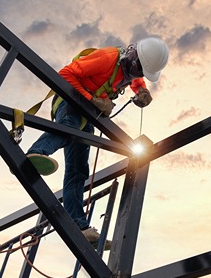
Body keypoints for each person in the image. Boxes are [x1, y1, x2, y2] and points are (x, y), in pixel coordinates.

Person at [26, 37, 169, 244]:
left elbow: (134, 80)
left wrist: (142, 91)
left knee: (78, 171)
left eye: (142, 73)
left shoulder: (132, 70)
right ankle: (37, 152)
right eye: (139, 70)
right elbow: (65, 74)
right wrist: (93, 100)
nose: (137, 75)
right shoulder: (107, 58)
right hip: (70, 103)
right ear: (132, 57)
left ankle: (79, 227)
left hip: (87, 115)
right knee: (70, 127)